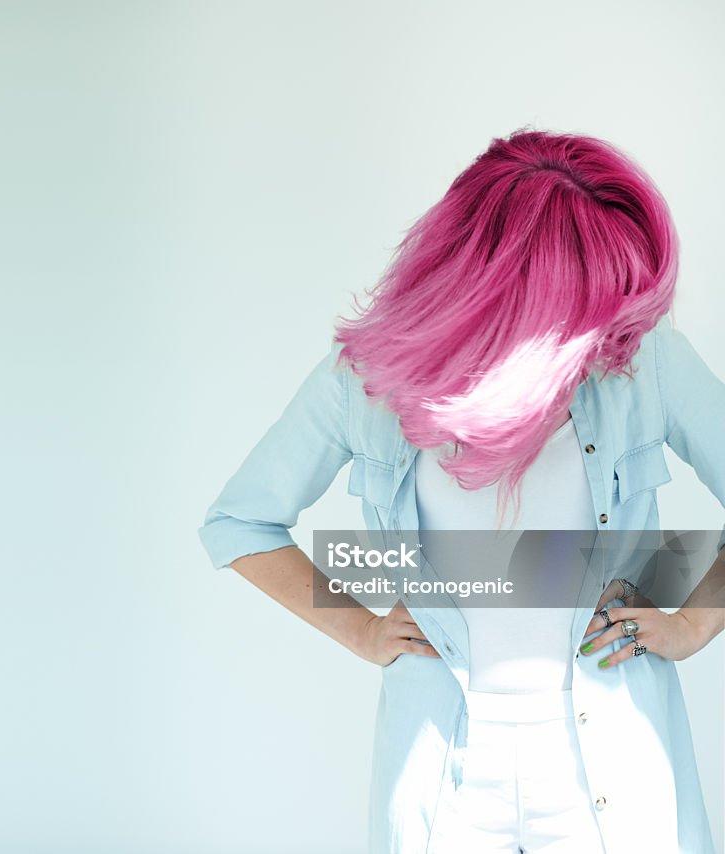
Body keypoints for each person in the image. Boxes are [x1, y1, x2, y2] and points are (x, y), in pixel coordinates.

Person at [198, 130, 725, 853]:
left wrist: (695, 624)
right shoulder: (364, 382)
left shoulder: (644, 360)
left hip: (611, 769)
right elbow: (240, 522)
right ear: (497, 285)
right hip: (441, 781)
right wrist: (361, 630)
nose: (602, 323)